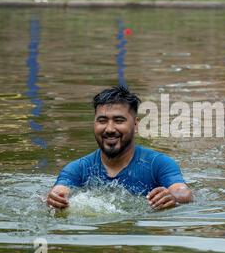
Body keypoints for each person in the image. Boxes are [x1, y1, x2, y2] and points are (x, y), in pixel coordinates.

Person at [46, 86, 192, 211]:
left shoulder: (158, 164)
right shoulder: (78, 168)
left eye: (119, 120)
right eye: (102, 121)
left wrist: (172, 198)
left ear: (135, 125)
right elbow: (59, 192)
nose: (109, 129)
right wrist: (54, 200)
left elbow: (183, 192)